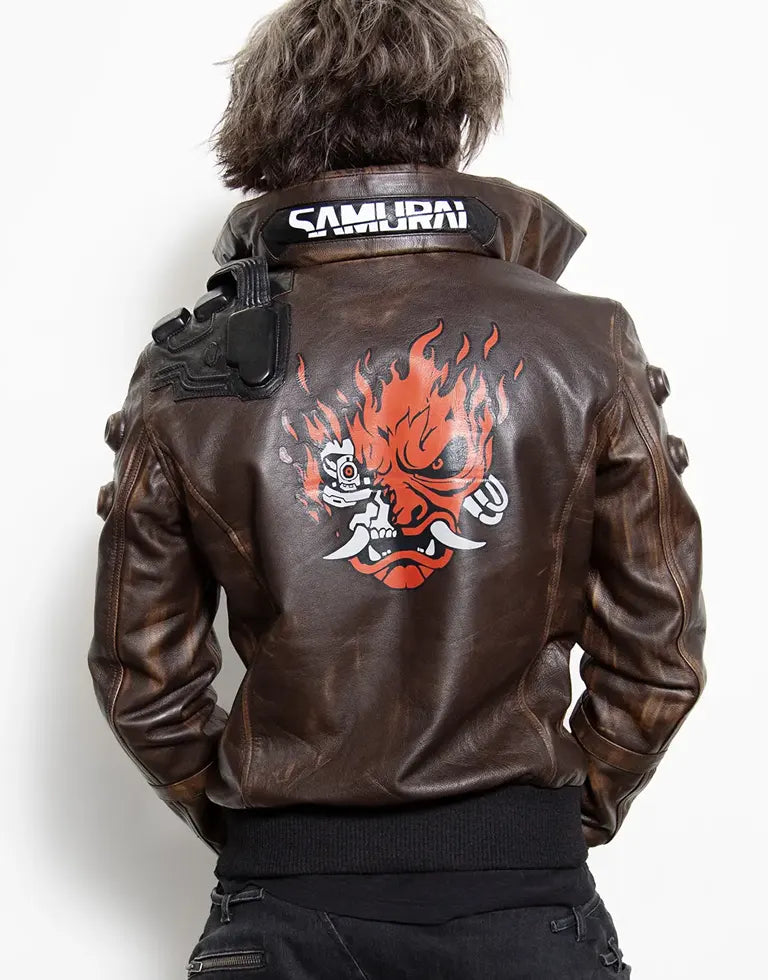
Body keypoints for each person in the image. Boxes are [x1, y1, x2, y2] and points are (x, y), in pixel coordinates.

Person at [87, 1, 706, 976]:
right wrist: (538, 825)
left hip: (282, 914)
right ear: (455, 114)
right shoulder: (584, 345)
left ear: (268, 128)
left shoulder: (192, 368)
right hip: (523, 908)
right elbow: (659, 650)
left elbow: (143, 679)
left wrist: (276, 837)